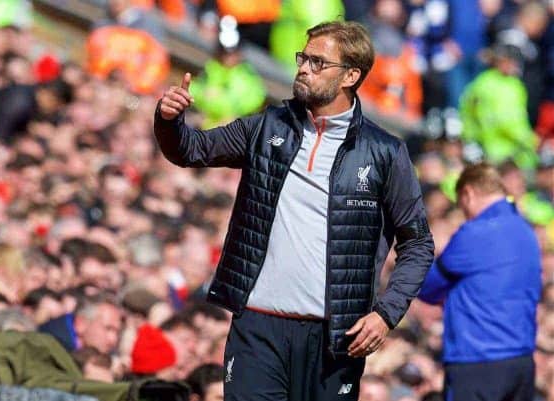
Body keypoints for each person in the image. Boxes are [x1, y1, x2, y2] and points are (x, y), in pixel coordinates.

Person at [154, 20, 434, 400]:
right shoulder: (268, 125)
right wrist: (169, 121)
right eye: (303, 57)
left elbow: (417, 244)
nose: (303, 67)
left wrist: (386, 313)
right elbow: (191, 149)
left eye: (318, 62)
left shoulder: (384, 152)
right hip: (257, 328)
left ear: (351, 75)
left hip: (334, 340)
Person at [418, 163, 541, 401]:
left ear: (468, 194)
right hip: (522, 362)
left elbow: (427, 287)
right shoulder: (526, 232)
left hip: (477, 361)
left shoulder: (475, 232)